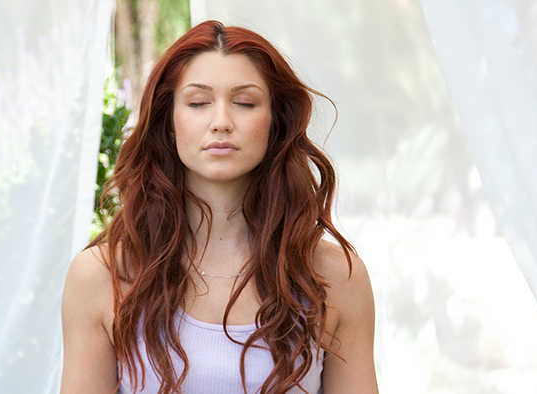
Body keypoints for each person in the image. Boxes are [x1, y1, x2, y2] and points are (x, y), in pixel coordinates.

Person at [60, 20, 378, 394]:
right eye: (198, 103)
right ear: (169, 122)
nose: (222, 122)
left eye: (245, 102)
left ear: (276, 122)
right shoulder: (102, 277)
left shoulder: (335, 276)